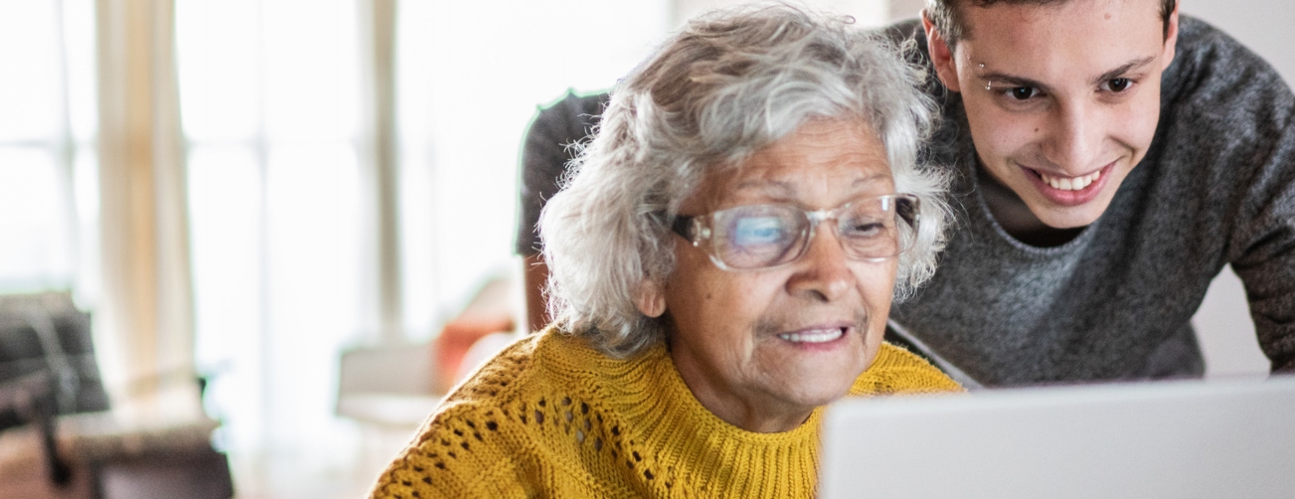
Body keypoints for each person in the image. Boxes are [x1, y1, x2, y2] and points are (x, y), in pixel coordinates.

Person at [511, 0, 1295, 388]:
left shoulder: (1245, 126)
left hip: (1130, 448)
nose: (1077, 151)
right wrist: (579, 379)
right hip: (905, 448)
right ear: (944, 53)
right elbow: (570, 135)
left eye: (1119, 84)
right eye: (1020, 92)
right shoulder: (867, 98)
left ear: (1170, 32)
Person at [371, 6, 961, 496]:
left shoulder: (936, 426)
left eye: (863, 223)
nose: (830, 277)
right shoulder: (505, 448)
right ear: (647, 259)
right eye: (763, 228)